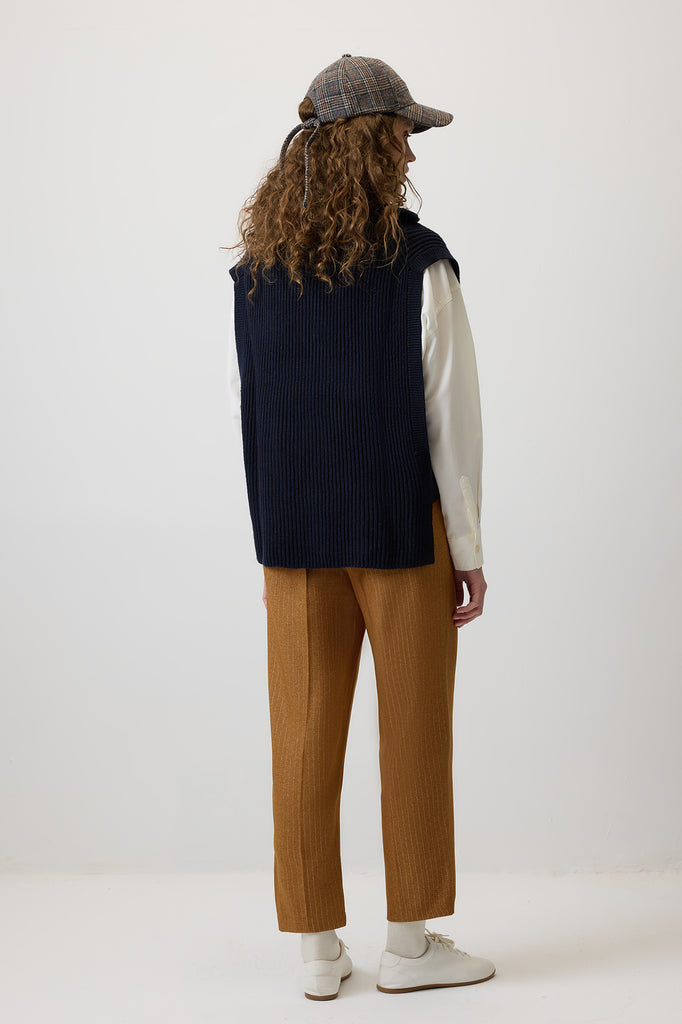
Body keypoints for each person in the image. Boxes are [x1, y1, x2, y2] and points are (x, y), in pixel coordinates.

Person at [225, 53, 494, 1001]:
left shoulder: (256, 271)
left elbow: (256, 408)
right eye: (404, 135)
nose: (411, 152)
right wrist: (467, 548)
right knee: (415, 730)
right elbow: (451, 415)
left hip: (294, 534)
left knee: (299, 737)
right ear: (376, 143)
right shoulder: (420, 263)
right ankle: (411, 948)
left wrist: (277, 521)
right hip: (399, 528)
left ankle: (316, 951)